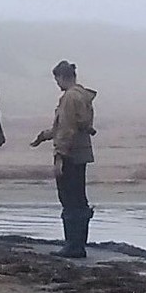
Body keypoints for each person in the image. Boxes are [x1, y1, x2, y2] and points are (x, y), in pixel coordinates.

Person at [33, 59, 96, 257]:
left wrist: (59, 156)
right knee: (79, 199)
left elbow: (67, 129)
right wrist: (44, 136)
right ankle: (78, 245)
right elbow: (75, 125)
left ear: (62, 77)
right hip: (82, 153)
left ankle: (72, 246)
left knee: (69, 199)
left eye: (57, 79)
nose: (57, 84)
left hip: (70, 154)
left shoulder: (69, 98)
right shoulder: (83, 96)